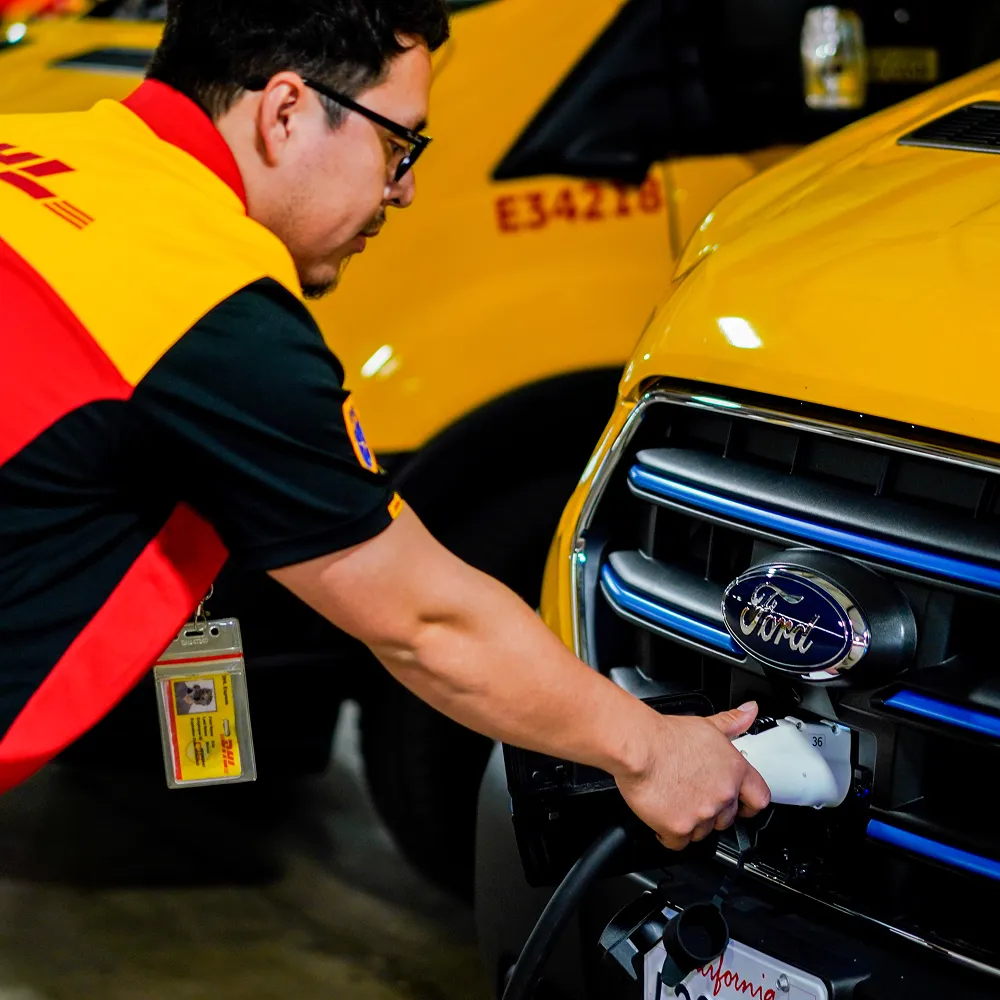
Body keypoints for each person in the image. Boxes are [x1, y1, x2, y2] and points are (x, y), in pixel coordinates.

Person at [0, 0, 769, 850]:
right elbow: (424, 623)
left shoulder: (39, 146)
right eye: (397, 142)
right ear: (286, 111)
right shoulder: (206, 308)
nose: (401, 187)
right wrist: (653, 752)